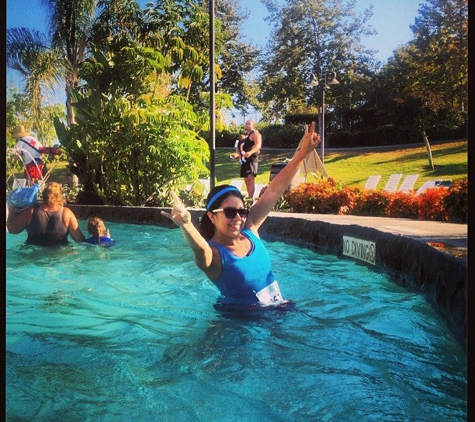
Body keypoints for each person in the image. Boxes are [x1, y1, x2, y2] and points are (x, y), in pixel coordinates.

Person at [161, 122, 321, 310]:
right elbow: (199, 249)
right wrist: (186, 224)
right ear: (212, 217)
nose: (238, 218)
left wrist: (301, 154)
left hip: (278, 313)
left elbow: (273, 191)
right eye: (229, 212)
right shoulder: (215, 256)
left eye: (242, 211)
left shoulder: (250, 228)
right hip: (242, 328)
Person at [6, 182, 86, 246]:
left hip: (33, 257)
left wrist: (11, 209)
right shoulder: (67, 213)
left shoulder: (31, 211)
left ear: (44, 195)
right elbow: (79, 239)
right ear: (59, 196)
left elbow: (12, 230)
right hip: (59, 259)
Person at [239, 120, 262, 199]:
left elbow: (258, 145)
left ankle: (251, 198)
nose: (248, 125)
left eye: (249, 124)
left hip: (252, 160)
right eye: (246, 124)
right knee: (246, 179)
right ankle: (249, 197)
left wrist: (250, 152)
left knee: (250, 179)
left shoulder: (255, 133)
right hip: (245, 160)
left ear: (253, 125)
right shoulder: (246, 136)